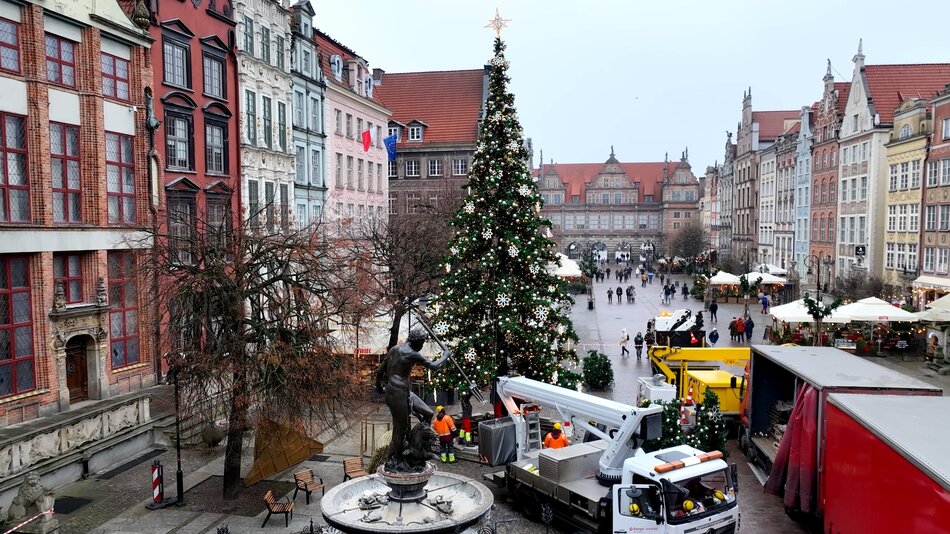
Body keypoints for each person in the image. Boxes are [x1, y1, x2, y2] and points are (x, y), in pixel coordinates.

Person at [375, 329, 451, 469]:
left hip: (405, 392)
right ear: (416, 341)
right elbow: (435, 366)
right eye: (422, 343)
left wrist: (378, 386)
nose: (422, 346)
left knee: (428, 413)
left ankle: (421, 446)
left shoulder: (394, 349)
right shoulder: (412, 354)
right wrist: (446, 355)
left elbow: (380, 370)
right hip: (396, 393)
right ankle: (398, 460)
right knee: (400, 429)